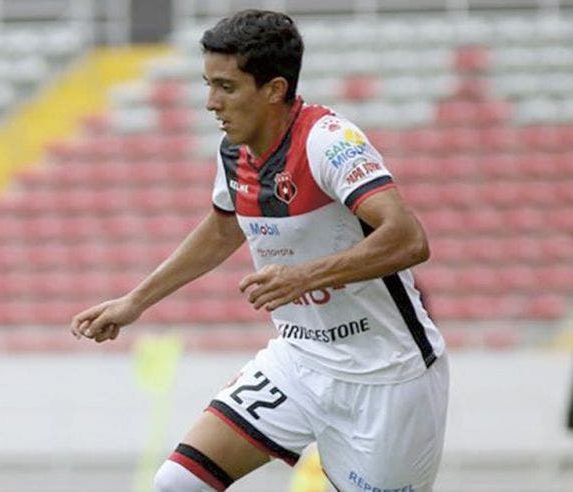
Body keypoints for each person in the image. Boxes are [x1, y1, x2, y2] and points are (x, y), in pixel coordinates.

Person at [70, 9, 449, 492]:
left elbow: (408, 237)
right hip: (299, 359)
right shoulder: (235, 151)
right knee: (175, 485)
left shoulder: (329, 142)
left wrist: (304, 276)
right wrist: (134, 302)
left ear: (273, 89)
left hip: (387, 376)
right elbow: (224, 229)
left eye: (226, 87)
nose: (210, 102)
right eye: (208, 84)